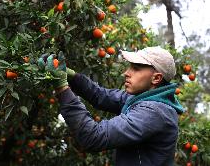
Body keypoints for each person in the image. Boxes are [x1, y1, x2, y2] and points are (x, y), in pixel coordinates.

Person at [38, 46, 185, 166]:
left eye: (136, 68)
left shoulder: (153, 112)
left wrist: (62, 87)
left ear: (156, 78)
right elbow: (100, 96)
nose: (126, 73)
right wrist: (72, 76)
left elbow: (93, 137)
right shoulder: (142, 98)